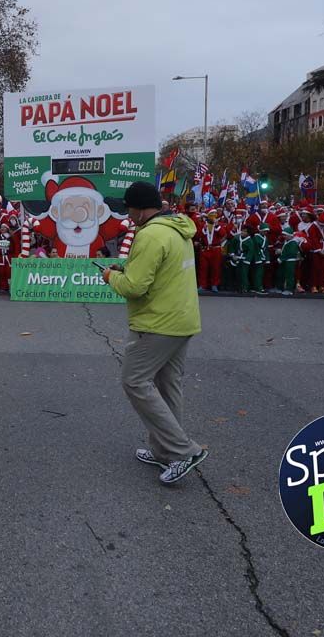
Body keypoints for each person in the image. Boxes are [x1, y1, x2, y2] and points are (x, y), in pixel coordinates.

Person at [101, 182, 207, 485]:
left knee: (134, 381)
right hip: (182, 319)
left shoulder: (150, 234)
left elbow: (135, 287)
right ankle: (165, 450)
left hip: (157, 322)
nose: (128, 214)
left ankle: (183, 450)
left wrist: (111, 276)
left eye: (129, 208)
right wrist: (127, 268)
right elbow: (158, 271)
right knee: (167, 385)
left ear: (140, 208)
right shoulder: (177, 228)